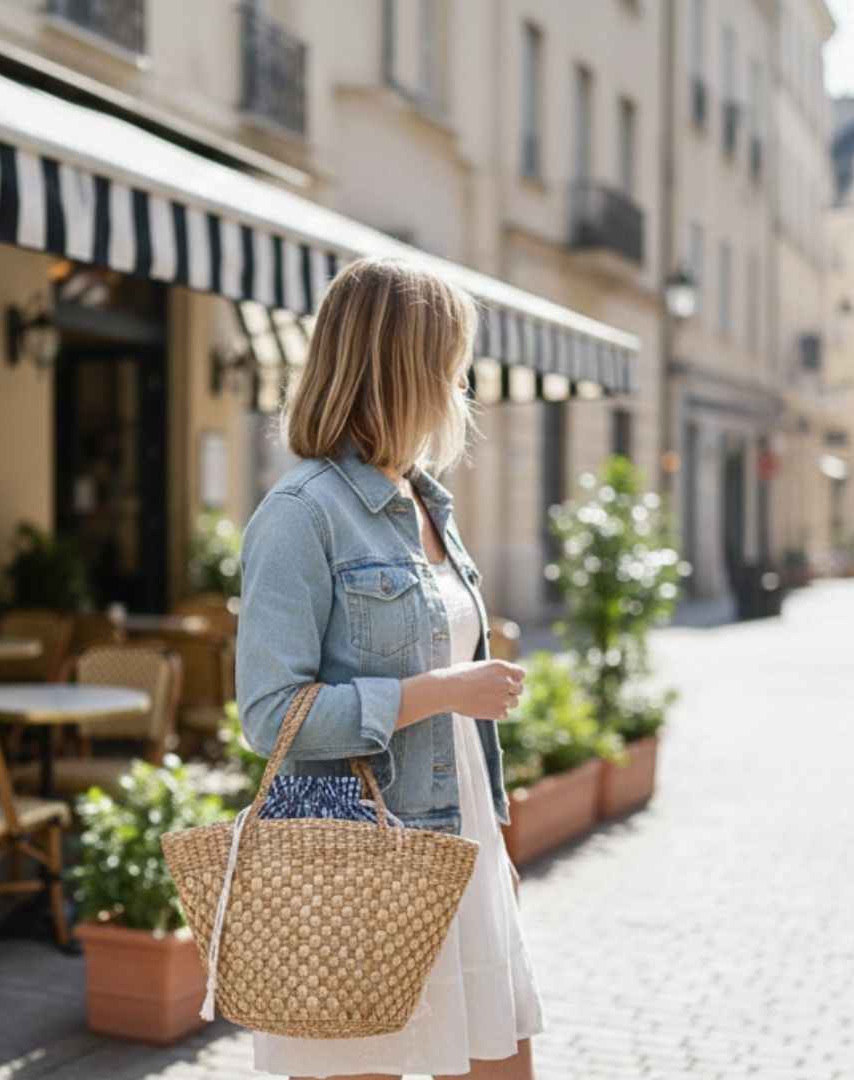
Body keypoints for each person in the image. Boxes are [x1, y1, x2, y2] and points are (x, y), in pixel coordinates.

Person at [235, 256, 548, 1080]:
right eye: (451, 360)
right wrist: (439, 692)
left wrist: (498, 843)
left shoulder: (423, 502)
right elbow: (271, 716)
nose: (461, 382)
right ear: (408, 366)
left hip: (461, 844)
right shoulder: (301, 514)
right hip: (361, 862)